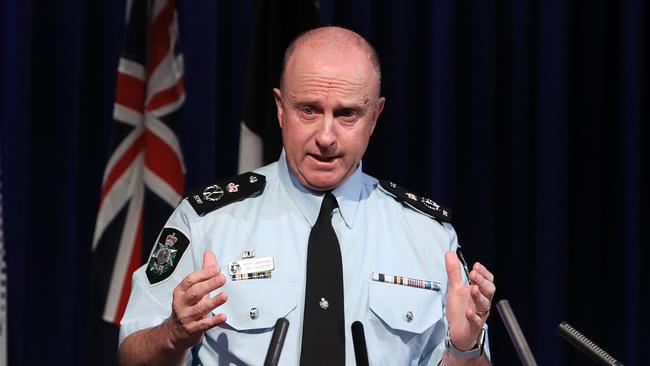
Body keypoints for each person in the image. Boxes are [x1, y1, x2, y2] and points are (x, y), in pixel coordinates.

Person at [118, 26, 495, 365]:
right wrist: (172, 335)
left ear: (375, 116)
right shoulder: (207, 221)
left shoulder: (429, 237)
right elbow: (131, 353)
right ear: (281, 109)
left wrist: (465, 349)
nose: (326, 137)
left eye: (347, 114)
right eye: (309, 110)